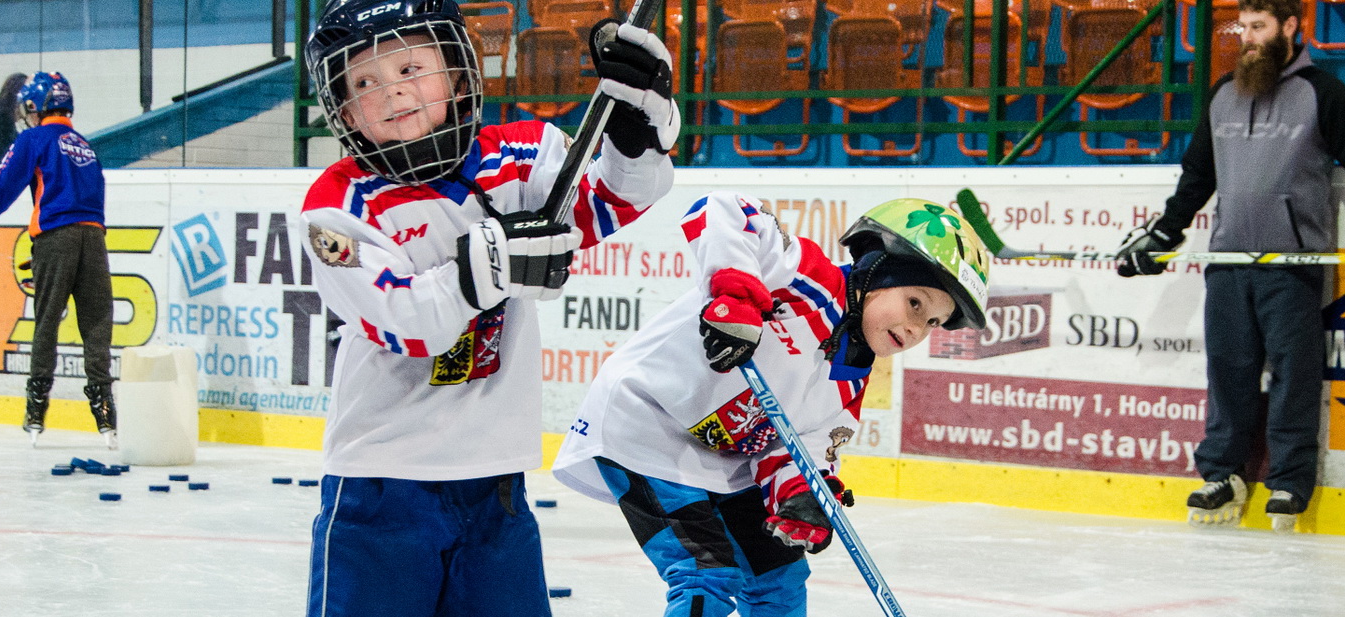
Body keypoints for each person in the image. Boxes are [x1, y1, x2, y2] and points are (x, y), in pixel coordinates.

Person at [296, 0, 678, 614]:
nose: (394, 93)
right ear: (344, 111)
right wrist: (491, 262)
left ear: (455, 72)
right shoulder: (337, 204)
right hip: (382, 485)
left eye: (411, 69)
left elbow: (615, 199)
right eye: (365, 82)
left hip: (495, 486)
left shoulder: (517, 156)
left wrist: (638, 127)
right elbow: (408, 325)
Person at [553, 193, 992, 616]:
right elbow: (722, 208)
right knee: (706, 572)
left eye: (933, 322)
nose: (918, 328)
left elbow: (801, 443)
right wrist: (736, 297)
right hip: (644, 424)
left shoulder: (851, 377)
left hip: (725, 456)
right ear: (875, 273)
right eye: (915, 304)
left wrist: (802, 493)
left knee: (780, 579)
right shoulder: (807, 280)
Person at [1114, 0, 1345, 533]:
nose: (1247, 37)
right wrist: (1163, 231)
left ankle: (1291, 479)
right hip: (1227, 261)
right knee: (1228, 371)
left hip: (1291, 264)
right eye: (1242, 27)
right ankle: (1221, 473)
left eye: (1259, 27)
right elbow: (1197, 178)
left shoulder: (1321, 92)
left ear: (1291, 28)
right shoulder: (1223, 94)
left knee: (1295, 375)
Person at [0, 72, 115, 449]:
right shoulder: (84, 144)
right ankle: (105, 412)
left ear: (36, 106)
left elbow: (2, 188)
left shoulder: (33, 139)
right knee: (97, 323)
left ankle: (36, 410)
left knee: (47, 319)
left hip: (57, 236)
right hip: (94, 239)